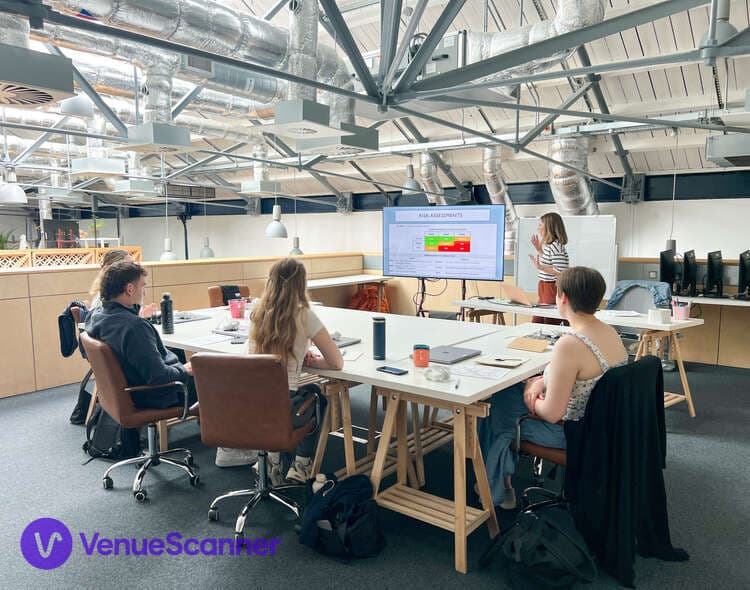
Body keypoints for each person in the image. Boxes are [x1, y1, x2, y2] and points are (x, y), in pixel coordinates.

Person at [478, 267, 627, 509]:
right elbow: (580, 375)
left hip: (572, 434)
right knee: (506, 395)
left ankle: (499, 488)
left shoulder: (570, 345)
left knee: (496, 407)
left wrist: (529, 395)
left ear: (563, 297)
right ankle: (498, 480)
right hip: (603, 427)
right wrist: (541, 381)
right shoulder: (609, 332)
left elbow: (550, 413)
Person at [216, 258, 343, 482]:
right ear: (301, 284)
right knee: (317, 397)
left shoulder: (257, 313)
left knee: (277, 399)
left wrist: (299, 355)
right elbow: (336, 363)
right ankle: (301, 465)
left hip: (249, 404)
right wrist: (311, 361)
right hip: (283, 407)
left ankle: (272, 462)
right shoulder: (304, 315)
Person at [84, 261, 196, 409]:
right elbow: (159, 376)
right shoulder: (134, 327)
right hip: (157, 394)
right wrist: (185, 369)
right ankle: (213, 421)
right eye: (143, 286)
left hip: (127, 391)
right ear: (130, 289)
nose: (145, 292)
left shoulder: (95, 316)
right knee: (217, 377)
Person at [89, 249, 158, 318]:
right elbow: (118, 321)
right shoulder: (102, 302)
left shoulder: (124, 297)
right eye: (129, 265)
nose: (134, 269)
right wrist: (143, 316)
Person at [529, 212, 569, 324]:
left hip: (551, 288)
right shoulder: (550, 246)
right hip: (544, 287)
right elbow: (550, 263)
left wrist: (540, 267)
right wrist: (539, 251)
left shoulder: (556, 246)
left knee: (549, 320)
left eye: (540, 225)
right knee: (538, 319)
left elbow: (561, 272)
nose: (538, 228)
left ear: (548, 227)